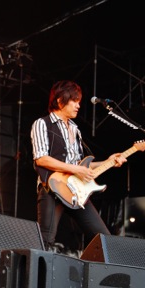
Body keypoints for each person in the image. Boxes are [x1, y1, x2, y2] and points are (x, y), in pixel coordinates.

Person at [30, 80, 127, 252]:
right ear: (60, 101)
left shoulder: (75, 129)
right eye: (74, 101)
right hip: (53, 188)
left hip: (76, 190)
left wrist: (109, 162)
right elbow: (41, 159)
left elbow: (82, 165)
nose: (78, 105)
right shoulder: (42, 123)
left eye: (79, 101)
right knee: (45, 241)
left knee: (103, 240)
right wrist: (77, 169)